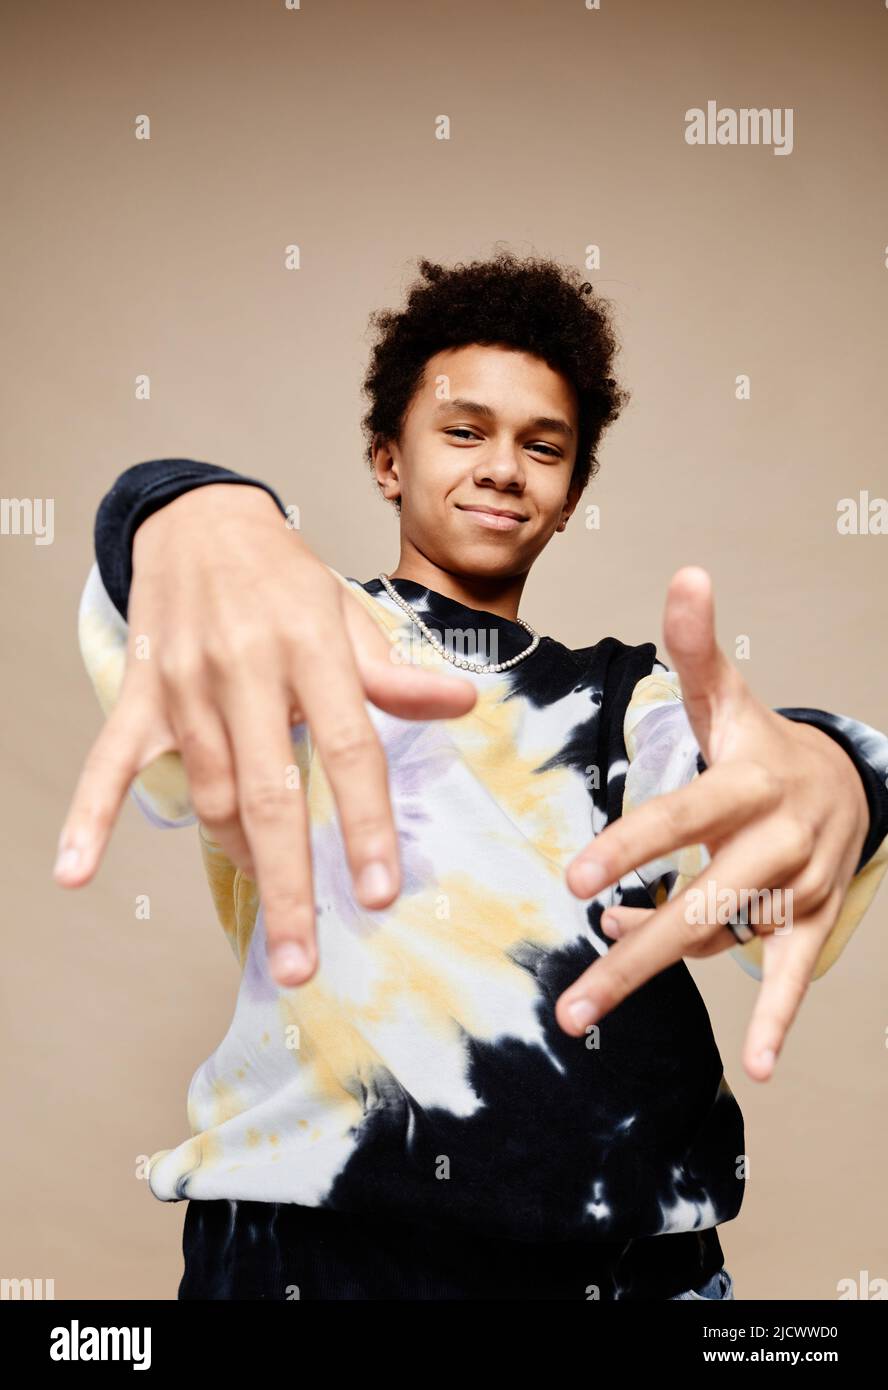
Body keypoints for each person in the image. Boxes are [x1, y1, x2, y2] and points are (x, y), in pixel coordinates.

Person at [57, 251, 888, 1300]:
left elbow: (744, 765)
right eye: (464, 430)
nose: (504, 467)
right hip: (315, 1260)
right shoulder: (310, 635)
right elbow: (188, 599)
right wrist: (193, 509)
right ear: (385, 458)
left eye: (543, 447)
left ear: (571, 491)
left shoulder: (621, 694)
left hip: (634, 1269)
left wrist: (838, 771)